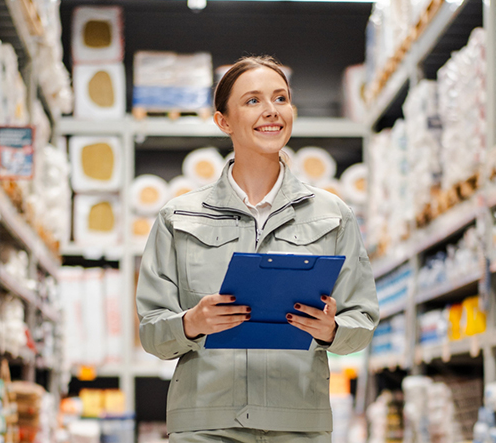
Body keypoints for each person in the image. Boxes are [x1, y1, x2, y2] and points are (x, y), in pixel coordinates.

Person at [136, 55, 379, 443]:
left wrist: (332, 330)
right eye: (253, 101)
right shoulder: (177, 217)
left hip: (298, 424)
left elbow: (363, 320)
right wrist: (191, 323)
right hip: (205, 424)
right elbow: (151, 332)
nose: (271, 111)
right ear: (223, 121)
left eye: (280, 98)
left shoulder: (334, 214)